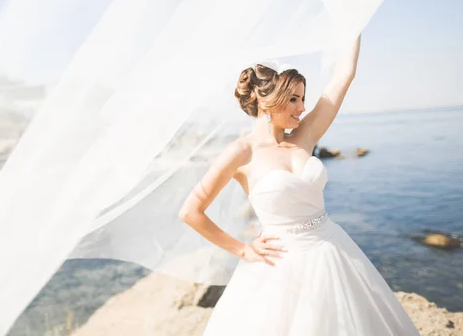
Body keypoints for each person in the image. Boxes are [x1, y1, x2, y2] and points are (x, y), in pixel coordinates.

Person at [179, 36, 419, 335]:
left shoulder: (304, 137)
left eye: (303, 98)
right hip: (281, 264)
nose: (302, 108)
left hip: (334, 249)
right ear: (268, 100)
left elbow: (344, 75)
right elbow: (191, 212)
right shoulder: (240, 152)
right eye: (294, 99)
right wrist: (242, 250)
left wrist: (354, 21)